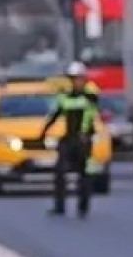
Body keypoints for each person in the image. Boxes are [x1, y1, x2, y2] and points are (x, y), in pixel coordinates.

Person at [39, 61, 100, 218]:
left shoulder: (90, 95)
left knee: (85, 174)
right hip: (69, 138)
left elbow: (93, 108)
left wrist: (85, 134)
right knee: (60, 172)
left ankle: (83, 207)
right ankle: (59, 206)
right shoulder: (64, 97)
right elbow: (54, 115)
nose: (76, 82)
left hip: (84, 139)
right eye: (73, 79)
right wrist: (43, 132)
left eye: (79, 78)